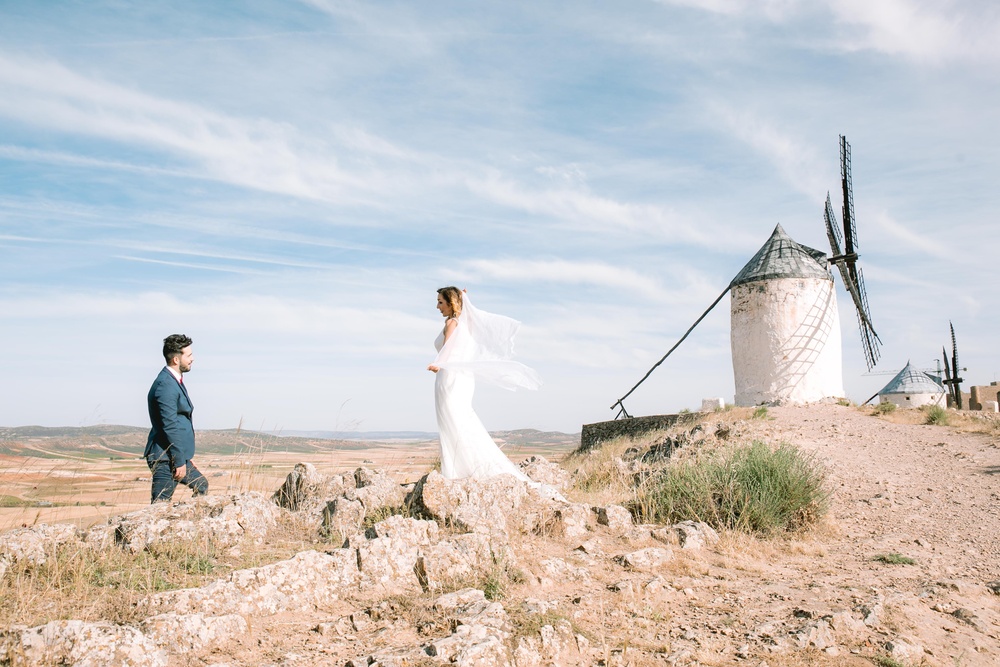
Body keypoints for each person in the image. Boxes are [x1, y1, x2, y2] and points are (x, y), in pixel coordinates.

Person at [427, 287, 543, 481]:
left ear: (451, 303)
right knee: (461, 419)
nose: (437, 306)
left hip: (450, 378)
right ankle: (464, 468)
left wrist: (438, 364)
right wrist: (466, 297)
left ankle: (457, 471)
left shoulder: (452, 324)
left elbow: (447, 349)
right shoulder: (465, 324)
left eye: (440, 302)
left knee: (453, 420)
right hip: (462, 379)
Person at [144, 334, 208, 503]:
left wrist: (185, 455)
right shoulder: (165, 385)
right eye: (188, 355)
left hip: (173, 455)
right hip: (165, 457)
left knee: (201, 485)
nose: (193, 359)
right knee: (159, 505)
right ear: (176, 360)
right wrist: (179, 460)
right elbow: (170, 425)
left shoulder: (173, 381)